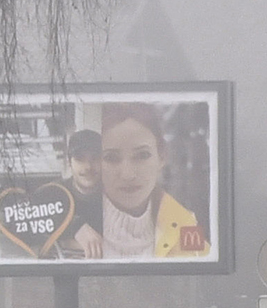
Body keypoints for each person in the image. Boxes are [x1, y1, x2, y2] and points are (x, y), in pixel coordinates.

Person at [68, 104, 207, 260]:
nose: (128, 175)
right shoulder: (69, 222)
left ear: (162, 157)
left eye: (142, 155)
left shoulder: (187, 226)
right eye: (111, 158)